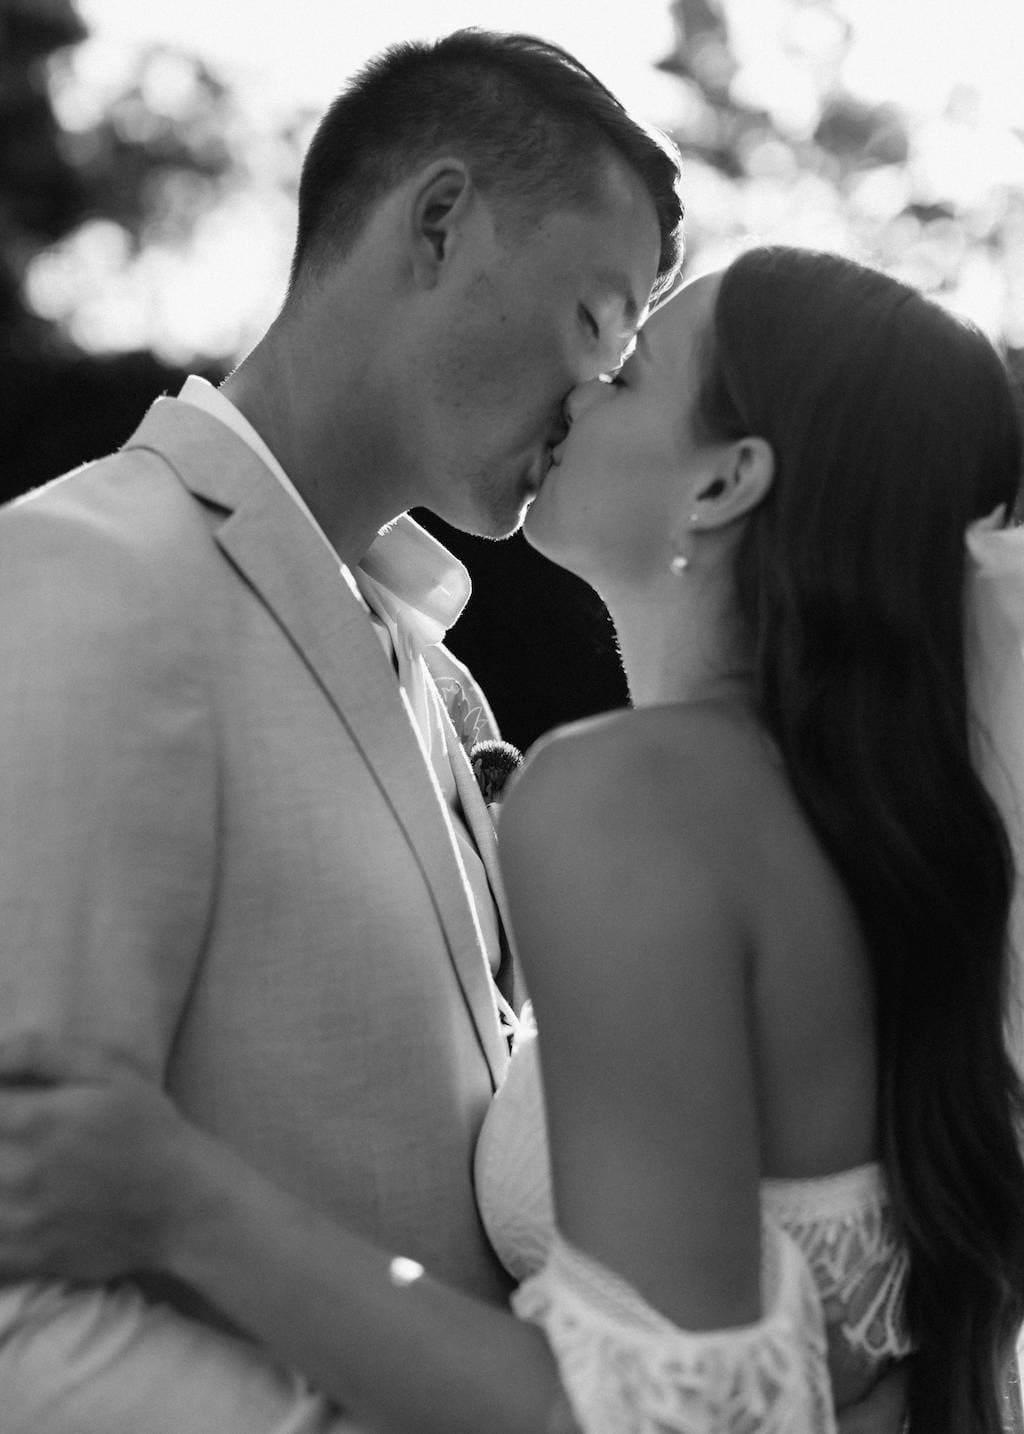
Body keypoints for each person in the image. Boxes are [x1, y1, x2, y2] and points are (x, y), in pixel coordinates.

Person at [3, 246, 1018, 1432]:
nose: (584, 383)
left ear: (723, 483)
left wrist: (179, 1202)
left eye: (631, 374)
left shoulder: (632, 801)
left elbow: (654, 1422)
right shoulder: (869, 829)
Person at [0, 28, 684, 1434]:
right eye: (601, 318)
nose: (598, 392)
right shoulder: (87, 575)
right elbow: (20, 1297)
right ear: (440, 221)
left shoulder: (443, 680)